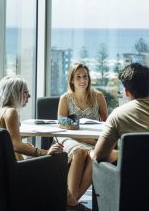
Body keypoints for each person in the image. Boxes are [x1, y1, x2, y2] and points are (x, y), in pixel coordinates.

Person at [0, 75, 88, 211]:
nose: (29, 95)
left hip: (4, 166)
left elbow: (10, 143)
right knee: (56, 159)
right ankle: (71, 205)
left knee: (50, 158)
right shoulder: (11, 112)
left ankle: (70, 203)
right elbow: (16, 145)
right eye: (25, 92)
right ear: (14, 93)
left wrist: (30, 149)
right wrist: (45, 153)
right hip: (16, 169)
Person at [91, 63, 149, 163]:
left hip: (135, 176)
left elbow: (99, 156)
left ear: (127, 92)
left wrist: (92, 153)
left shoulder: (118, 115)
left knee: (93, 155)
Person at [57, 63, 108, 201]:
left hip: (92, 139)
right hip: (69, 138)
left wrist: (94, 140)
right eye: (78, 77)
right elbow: (62, 125)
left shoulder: (98, 96)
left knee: (93, 157)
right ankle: (72, 202)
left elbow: (106, 124)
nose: (82, 80)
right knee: (79, 152)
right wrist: (86, 139)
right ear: (72, 80)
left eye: (85, 76)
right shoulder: (65, 98)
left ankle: (71, 201)